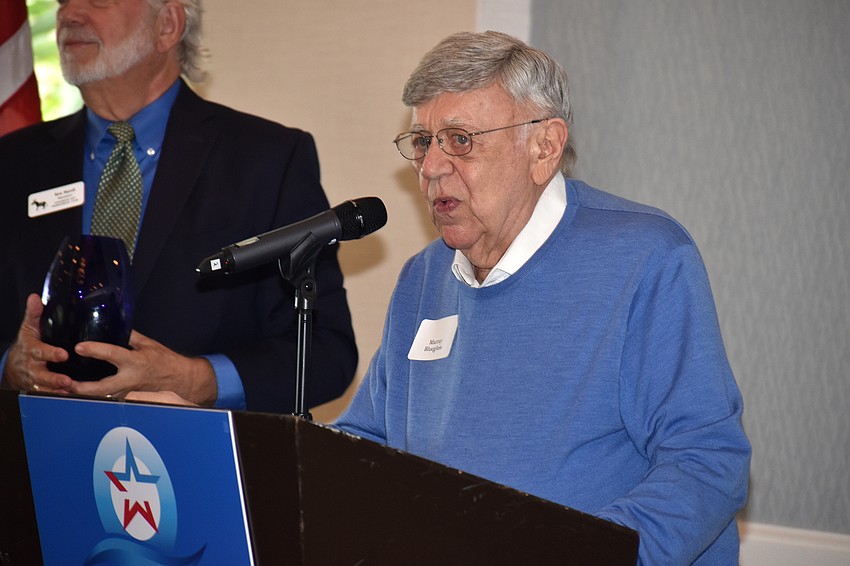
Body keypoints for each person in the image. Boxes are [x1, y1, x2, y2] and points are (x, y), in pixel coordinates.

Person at [334, 31, 750, 564]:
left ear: (544, 147)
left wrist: (585, 551)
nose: (432, 167)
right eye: (422, 142)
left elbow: (707, 460)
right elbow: (368, 441)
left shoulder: (645, 257)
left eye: (460, 139)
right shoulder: (423, 277)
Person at [0, 0, 357, 413]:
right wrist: (11, 363)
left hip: (200, 462)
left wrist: (196, 379)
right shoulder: (13, 163)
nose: (69, 15)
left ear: (167, 25)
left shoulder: (267, 159)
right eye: (64, 1)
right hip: (40, 459)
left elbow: (326, 351)